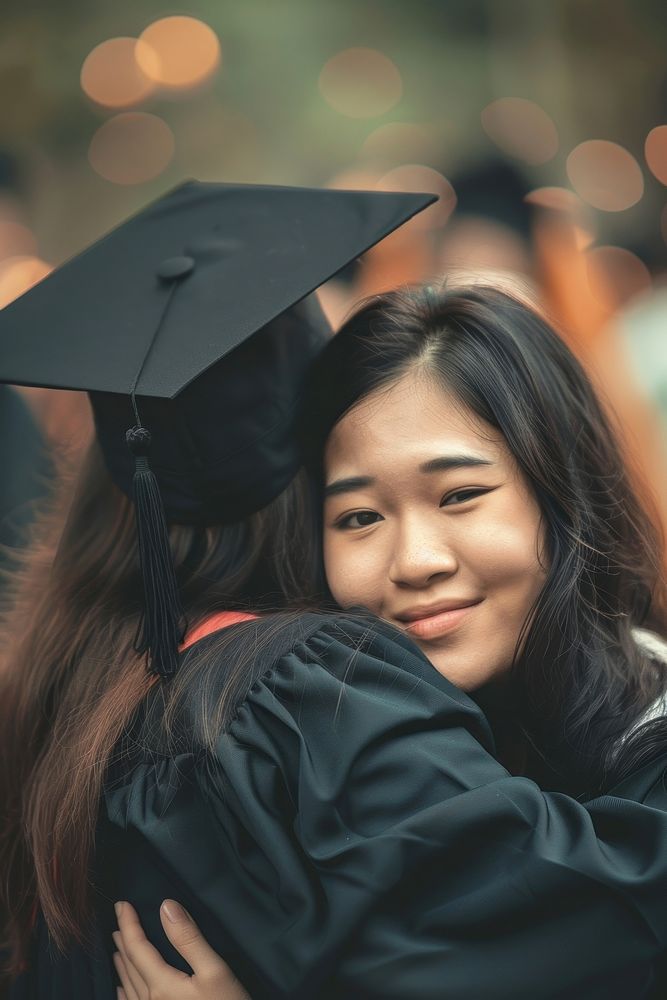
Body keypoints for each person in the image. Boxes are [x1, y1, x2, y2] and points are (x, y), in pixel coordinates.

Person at [3, 221, 667, 995]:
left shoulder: (80, 701)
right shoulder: (311, 704)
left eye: (460, 495)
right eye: (357, 516)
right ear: (303, 515)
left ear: (561, 494)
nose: (417, 560)